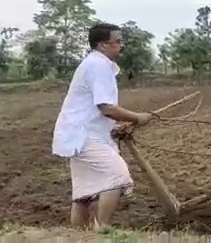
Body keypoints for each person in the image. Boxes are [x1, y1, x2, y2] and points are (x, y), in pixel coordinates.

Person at [51, 22, 155, 230]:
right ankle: (102, 227)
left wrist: (115, 126)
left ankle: (79, 236)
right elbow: (106, 107)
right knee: (117, 175)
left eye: (121, 41)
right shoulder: (98, 66)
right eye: (117, 42)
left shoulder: (95, 64)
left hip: (80, 133)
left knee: (83, 193)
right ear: (102, 45)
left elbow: (97, 108)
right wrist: (137, 117)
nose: (121, 46)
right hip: (84, 135)